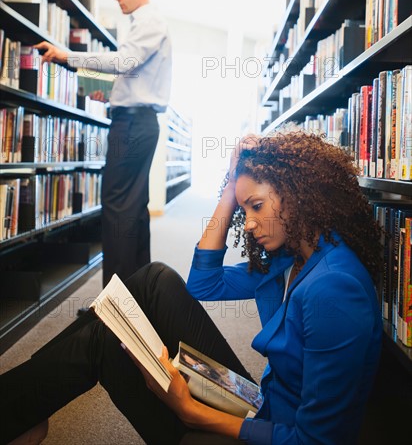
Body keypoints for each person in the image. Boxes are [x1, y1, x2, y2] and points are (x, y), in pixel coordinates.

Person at [0, 130, 383, 445]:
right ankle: (18, 409)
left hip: (275, 432)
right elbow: (203, 283)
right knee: (154, 280)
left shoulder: (334, 288)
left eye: (257, 206)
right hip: (263, 405)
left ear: (299, 194)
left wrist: (192, 411)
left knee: (107, 343)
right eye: (243, 208)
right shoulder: (292, 257)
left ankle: (13, 412)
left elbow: (315, 441)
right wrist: (230, 190)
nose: (247, 222)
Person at [34, 0, 172, 286]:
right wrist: (109, 92)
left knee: (117, 211)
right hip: (136, 122)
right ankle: (136, 296)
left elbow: (123, 62)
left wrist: (68, 57)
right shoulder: (143, 25)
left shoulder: (149, 20)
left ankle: (116, 309)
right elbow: (131, 72)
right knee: (134, 210)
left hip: (134, 126)